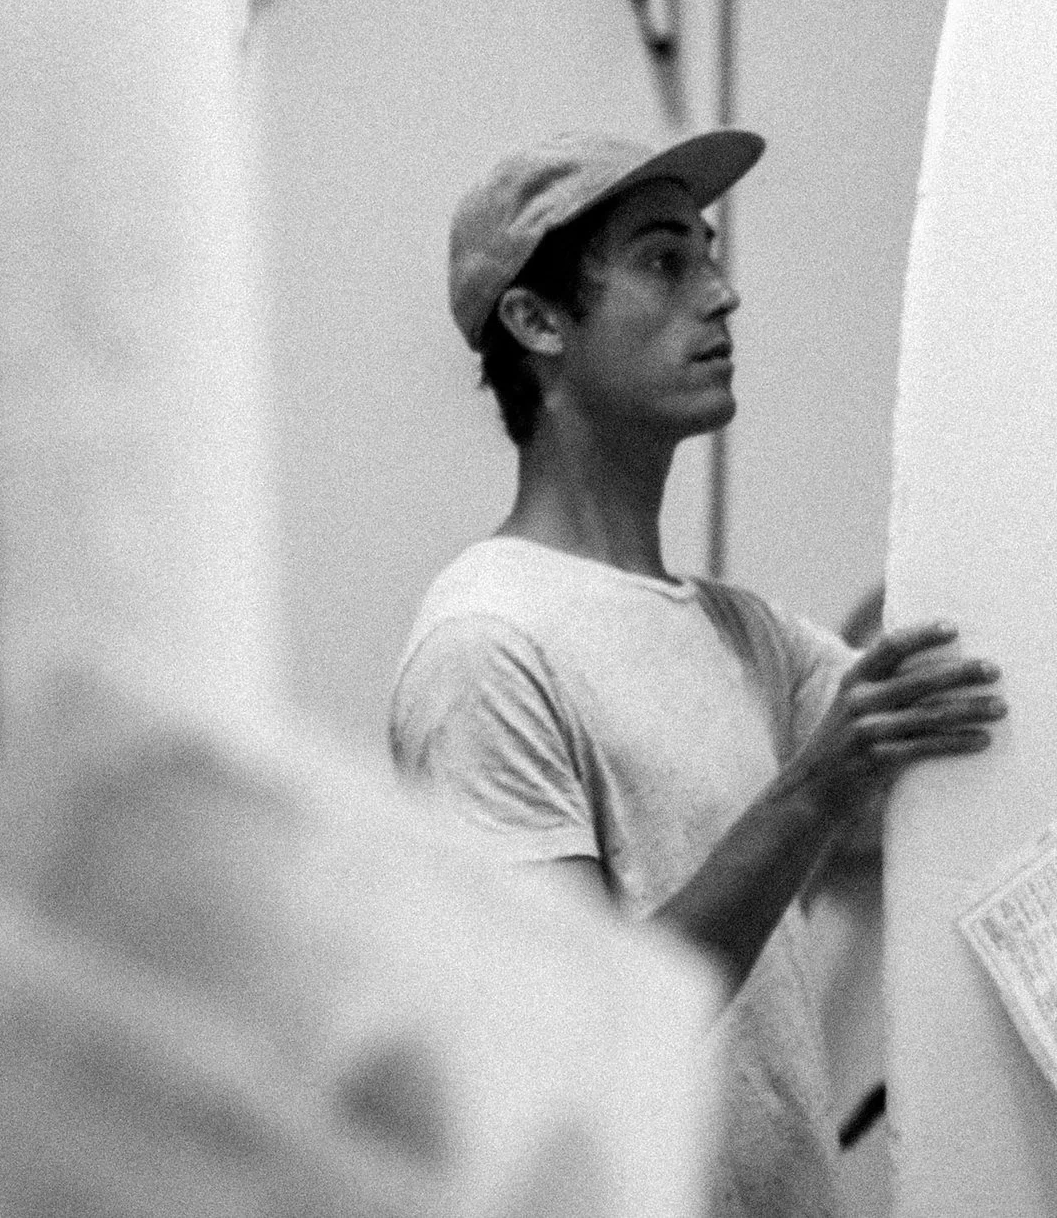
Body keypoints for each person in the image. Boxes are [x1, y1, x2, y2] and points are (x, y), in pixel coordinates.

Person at [387, 128, 1005, 1218]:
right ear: (537, 322)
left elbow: (951, 722)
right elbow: (579, 1029)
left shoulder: (741, 634)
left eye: (709, 256)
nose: (722, 294)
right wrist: (815, 788)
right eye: (667, 260)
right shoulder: (484, 646)